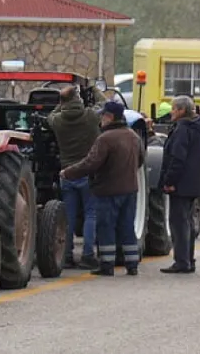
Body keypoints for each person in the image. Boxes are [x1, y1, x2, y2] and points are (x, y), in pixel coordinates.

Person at [60, 101, 145, 276]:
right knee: (127, 226)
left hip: (108, 190)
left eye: (103, 115)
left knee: (106, 227)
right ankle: (132, 264)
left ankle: (107, 265)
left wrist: (68, 173)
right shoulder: (134, 137)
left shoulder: (105, 139)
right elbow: (141, 160)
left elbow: (91, 163)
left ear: (110, 117)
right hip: (130, 190)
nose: (100, 119)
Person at [48, 86, 102, 269]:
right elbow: (105, 104)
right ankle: (88, 255)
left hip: (67, 173)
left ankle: (67, 255)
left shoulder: (57, 120)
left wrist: (60, 104)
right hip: (88, 173)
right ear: (78, 97)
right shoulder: (90, 116)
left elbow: (50, 115)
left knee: (69, 217)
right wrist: (94, 90)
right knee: (91, 214)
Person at [158, 95, 200, 274]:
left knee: (179, 224)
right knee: (188, 222)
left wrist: (170, 181)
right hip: (192, 181)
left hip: (180, 183)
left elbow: (177, 158)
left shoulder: (182, 130)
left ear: (181, 110)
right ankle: (189, 259)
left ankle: (182, 261)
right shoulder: (198, 127)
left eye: (174, 109)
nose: (171, 112)